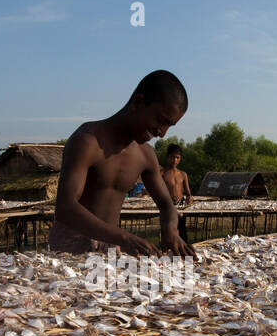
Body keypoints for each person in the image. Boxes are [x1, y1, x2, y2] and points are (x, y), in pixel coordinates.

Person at [49, 70, 197, 257]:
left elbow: (167, 205)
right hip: (68, 250)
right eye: (161, 121)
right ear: (138, 103)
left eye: (170, 126)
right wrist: (124, 237)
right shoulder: (88, 141)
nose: (162, 133)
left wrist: (171, 229)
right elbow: (65, 208)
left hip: (109, 249)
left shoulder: (146, 155)